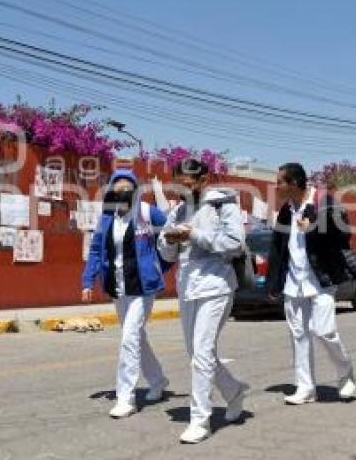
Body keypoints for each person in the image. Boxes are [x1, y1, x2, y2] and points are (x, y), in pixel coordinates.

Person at [158, 159, 249, 444]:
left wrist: (194, 234)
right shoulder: (179, 210)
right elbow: (167, 252)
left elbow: (234, 243)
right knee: (196, 353)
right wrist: (170, 239)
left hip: (216, 285)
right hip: (187, 287)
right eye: (178, 184)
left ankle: (200, 419)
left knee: (202, 353)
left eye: (186, 183)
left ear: (202, 179)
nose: (182, 189)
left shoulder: (224, 205)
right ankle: (233, 391)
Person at [81, 168, 171, 419]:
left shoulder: (145, 212)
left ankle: (125, 397)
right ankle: (158, 380)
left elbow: (172, 234)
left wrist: (160, 266)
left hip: (143, 288)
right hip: (119, 287)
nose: (122, 192)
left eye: (127, 188)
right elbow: (97, 251)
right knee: (136, 337)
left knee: (129, 338)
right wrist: (88, 281)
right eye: (117, 188)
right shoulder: (107, 218)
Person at [266, 162, 356, 405]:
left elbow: (343, 235)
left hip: (321, 279)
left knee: (325, 332)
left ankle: (345, 373)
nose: (277, 187)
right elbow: (278, 248)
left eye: (280, 182)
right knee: (299, 335)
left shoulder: (324, 202)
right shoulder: (286, 210)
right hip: (294, 283)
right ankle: (305, 387)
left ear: (294, 183)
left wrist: (315, 228)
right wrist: (274, 283)